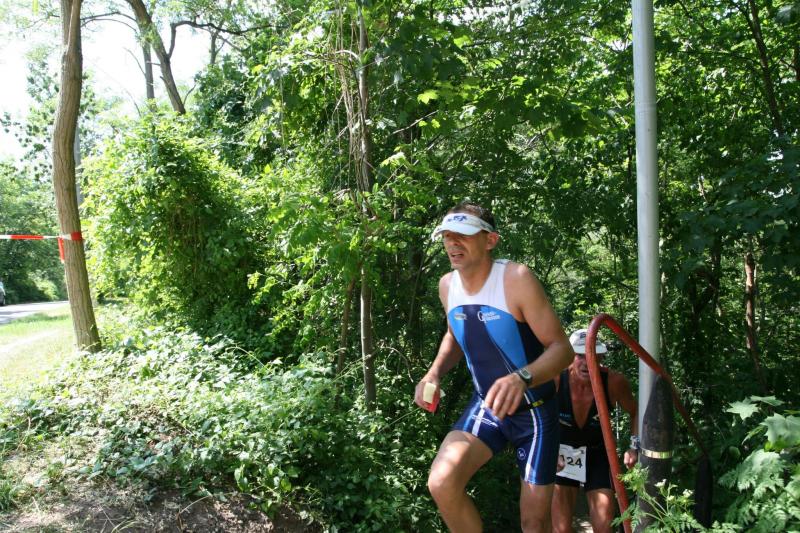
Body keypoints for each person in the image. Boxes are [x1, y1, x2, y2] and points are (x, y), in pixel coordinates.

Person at [414, 202, 574, 533]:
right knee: (442, 482)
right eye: (447, 235)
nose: (452, 242)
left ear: (490, 240)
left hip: (535, 412)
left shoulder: (516, 279)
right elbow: (454, 336)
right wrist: (434, 373)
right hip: (487, 405)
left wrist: (522, 378)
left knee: (534, 523)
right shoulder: (447, 285)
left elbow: (563, 350)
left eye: (463, 235)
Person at [551, 329, 638, 533]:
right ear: (569, 356)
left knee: (604, 526)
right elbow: (536, 417)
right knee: (560, 528)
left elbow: (635, 412)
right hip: (562, 453)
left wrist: (634, 447)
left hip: (598, 452)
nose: (585, 362)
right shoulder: (555, 379)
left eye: (592, 355)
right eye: (580, 355)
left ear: (601, 358)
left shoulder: (614, 382)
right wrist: (547, 450)